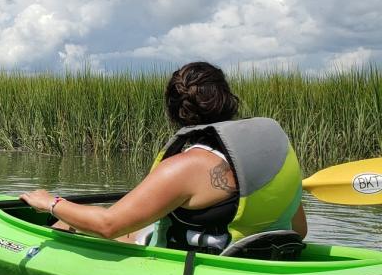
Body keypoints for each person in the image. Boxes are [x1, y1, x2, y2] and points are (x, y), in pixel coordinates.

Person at [19, 61, 306, 253]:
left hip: (210, 267)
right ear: (229, 99)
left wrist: (51, 202)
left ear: (173, 110)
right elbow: (300, 229)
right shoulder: (274, 153)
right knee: (131, 224)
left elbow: (108, 226)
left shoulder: (184, 167)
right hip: (269, 256)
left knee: (64, 222)